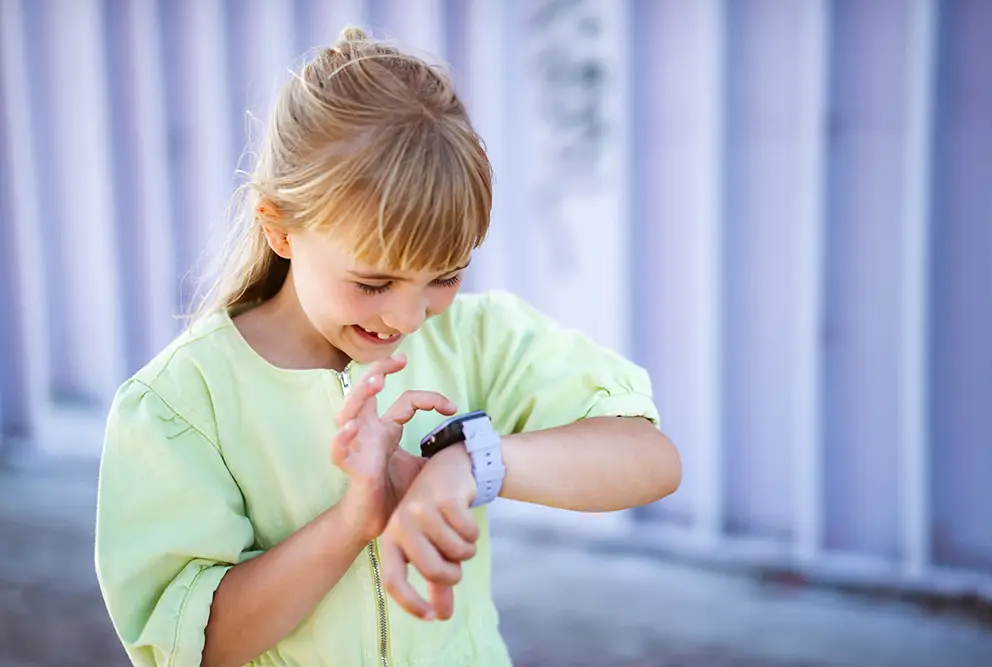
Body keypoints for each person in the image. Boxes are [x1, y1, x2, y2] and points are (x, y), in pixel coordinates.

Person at [94, 25, 681, 667]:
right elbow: (197, 649)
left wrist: (467, 463)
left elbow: (649, 458)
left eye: (446, 276)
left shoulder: (478, 338)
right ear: (280, 229)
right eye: (373, 282)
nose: (408, 316)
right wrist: (354, 520)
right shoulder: (179, 404)